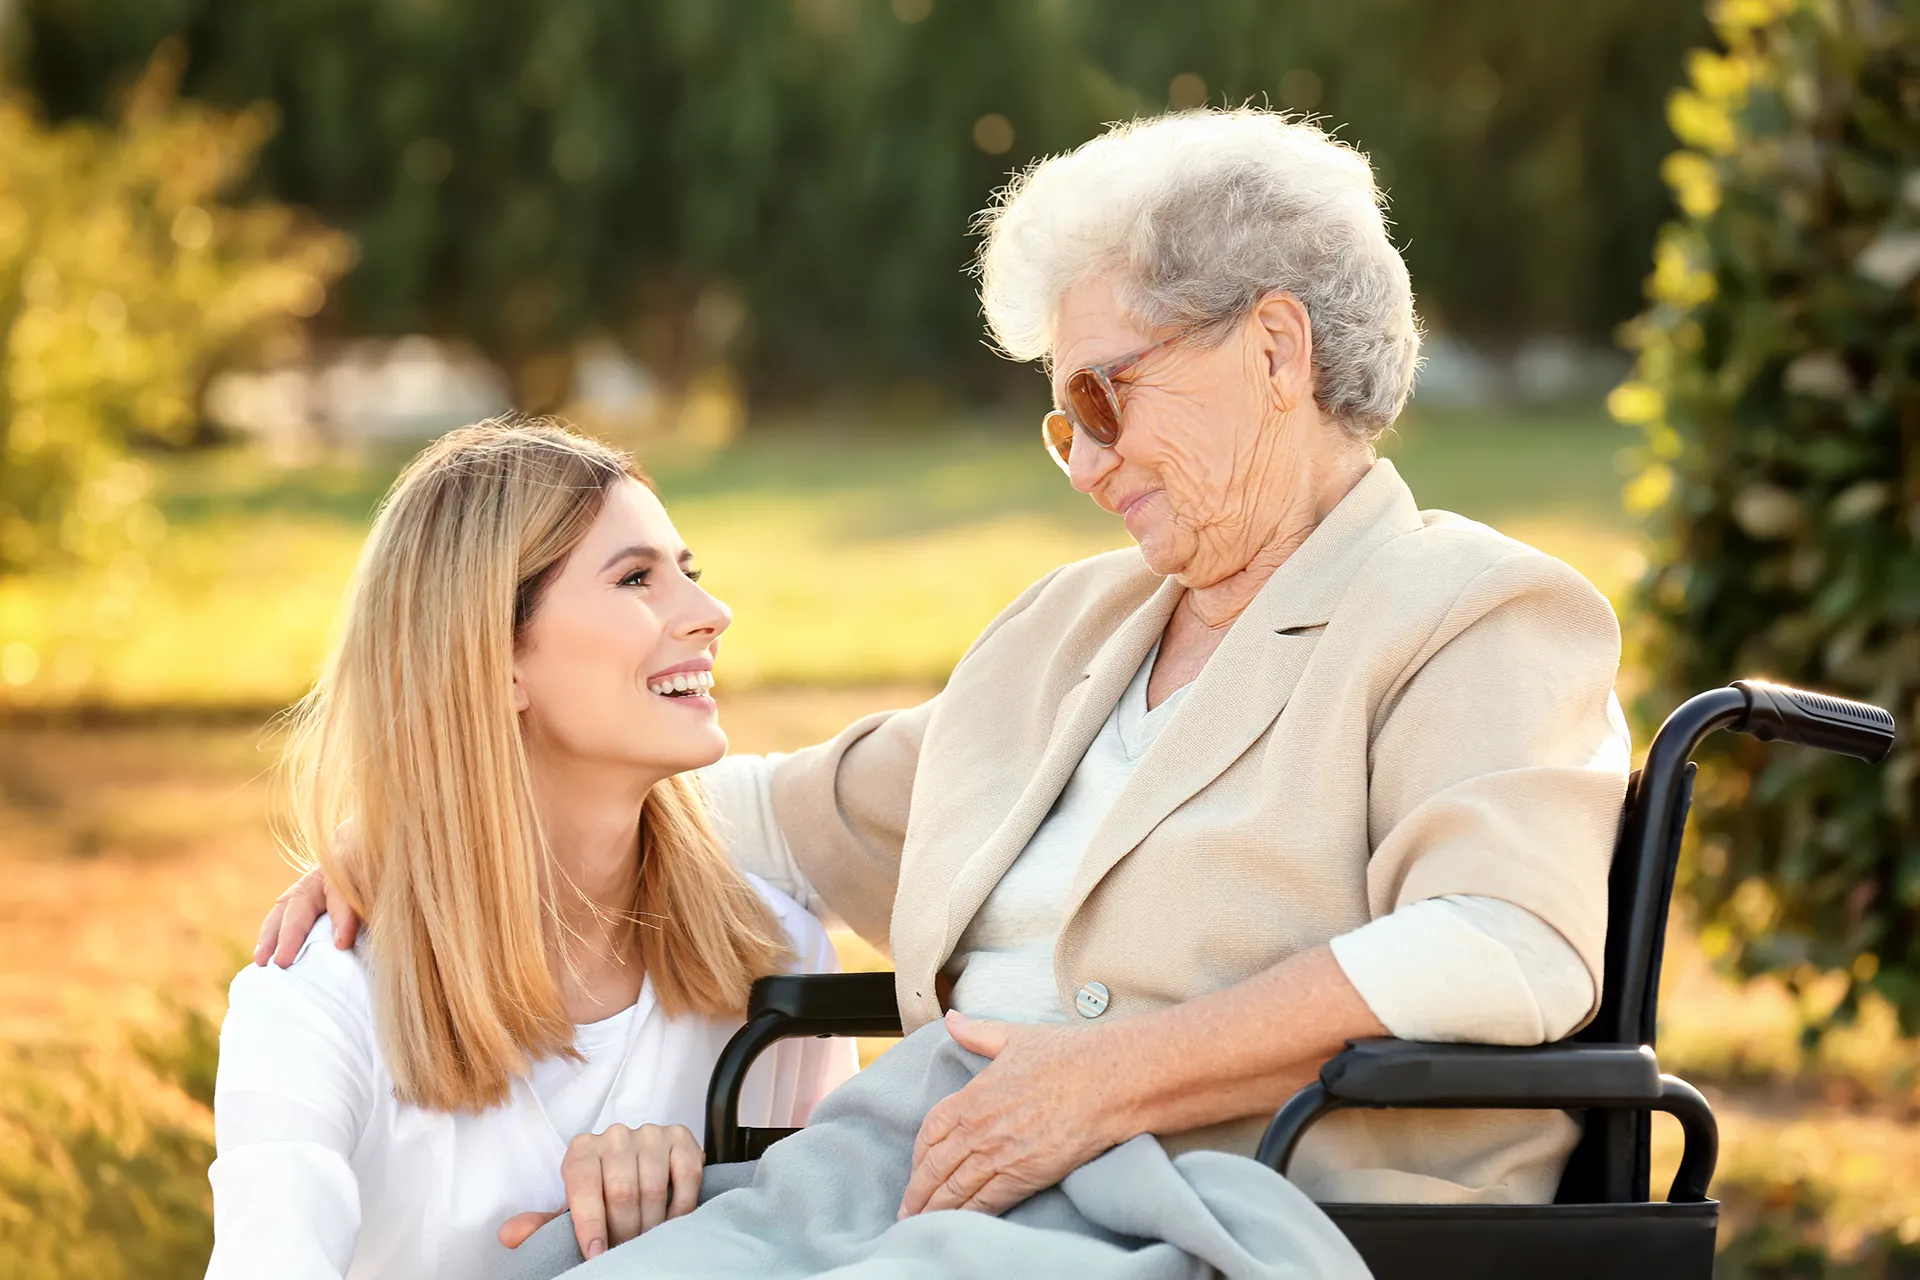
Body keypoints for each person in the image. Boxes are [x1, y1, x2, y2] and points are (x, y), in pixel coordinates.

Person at [263, 107, 1628, 1224]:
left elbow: (1503, 947)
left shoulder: (1473, 609)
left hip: (1240, 1206)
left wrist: (1109, 1080)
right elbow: (772, 818)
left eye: (1104, 395)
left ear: (1276, 348)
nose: (1084, 462)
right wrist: (434, 826)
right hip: (926, 1188)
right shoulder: (1074, 634)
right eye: (1058, 422)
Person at [210, 422, 854, 1280]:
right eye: (636, 579)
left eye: (688, 575)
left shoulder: (774, 957)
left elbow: (833, 1249)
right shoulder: (319, 995)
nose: (710, 615)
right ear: (495, 658)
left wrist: (696, 1222)